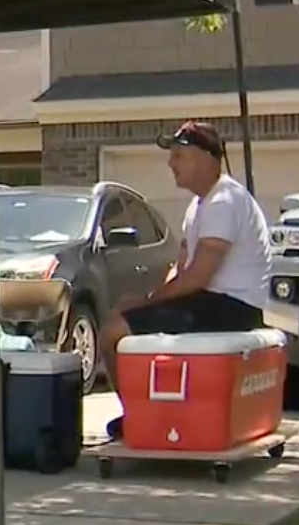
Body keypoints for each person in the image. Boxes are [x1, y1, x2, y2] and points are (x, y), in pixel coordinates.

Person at [102, 120, 271, 363]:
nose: (171, 164)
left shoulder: (224, 201)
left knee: (113, 332)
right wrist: (146, 301)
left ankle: (136, 403)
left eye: (179, 155)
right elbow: (181, 269)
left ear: (204, 157)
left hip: (233, 310)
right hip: (207, 304)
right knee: (125, 319)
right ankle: (152, 400)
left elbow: (197, 278)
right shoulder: (198, 205)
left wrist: (145, 302)